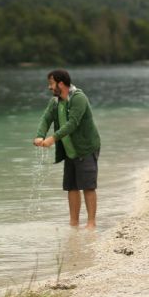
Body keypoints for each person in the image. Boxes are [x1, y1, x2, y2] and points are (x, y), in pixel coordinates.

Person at [34, 69, 102, 229]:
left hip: (86, 148)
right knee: (71, 186)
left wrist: (52, 139)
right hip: (69, 151)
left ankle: (91, 223)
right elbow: (46, 118)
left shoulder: (79, 98)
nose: (49, 87)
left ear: (61, 84)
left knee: (88, 186)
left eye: (51, 84)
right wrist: (40, 135)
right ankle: (74, 223)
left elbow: (72, 123)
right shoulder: (55, 102)